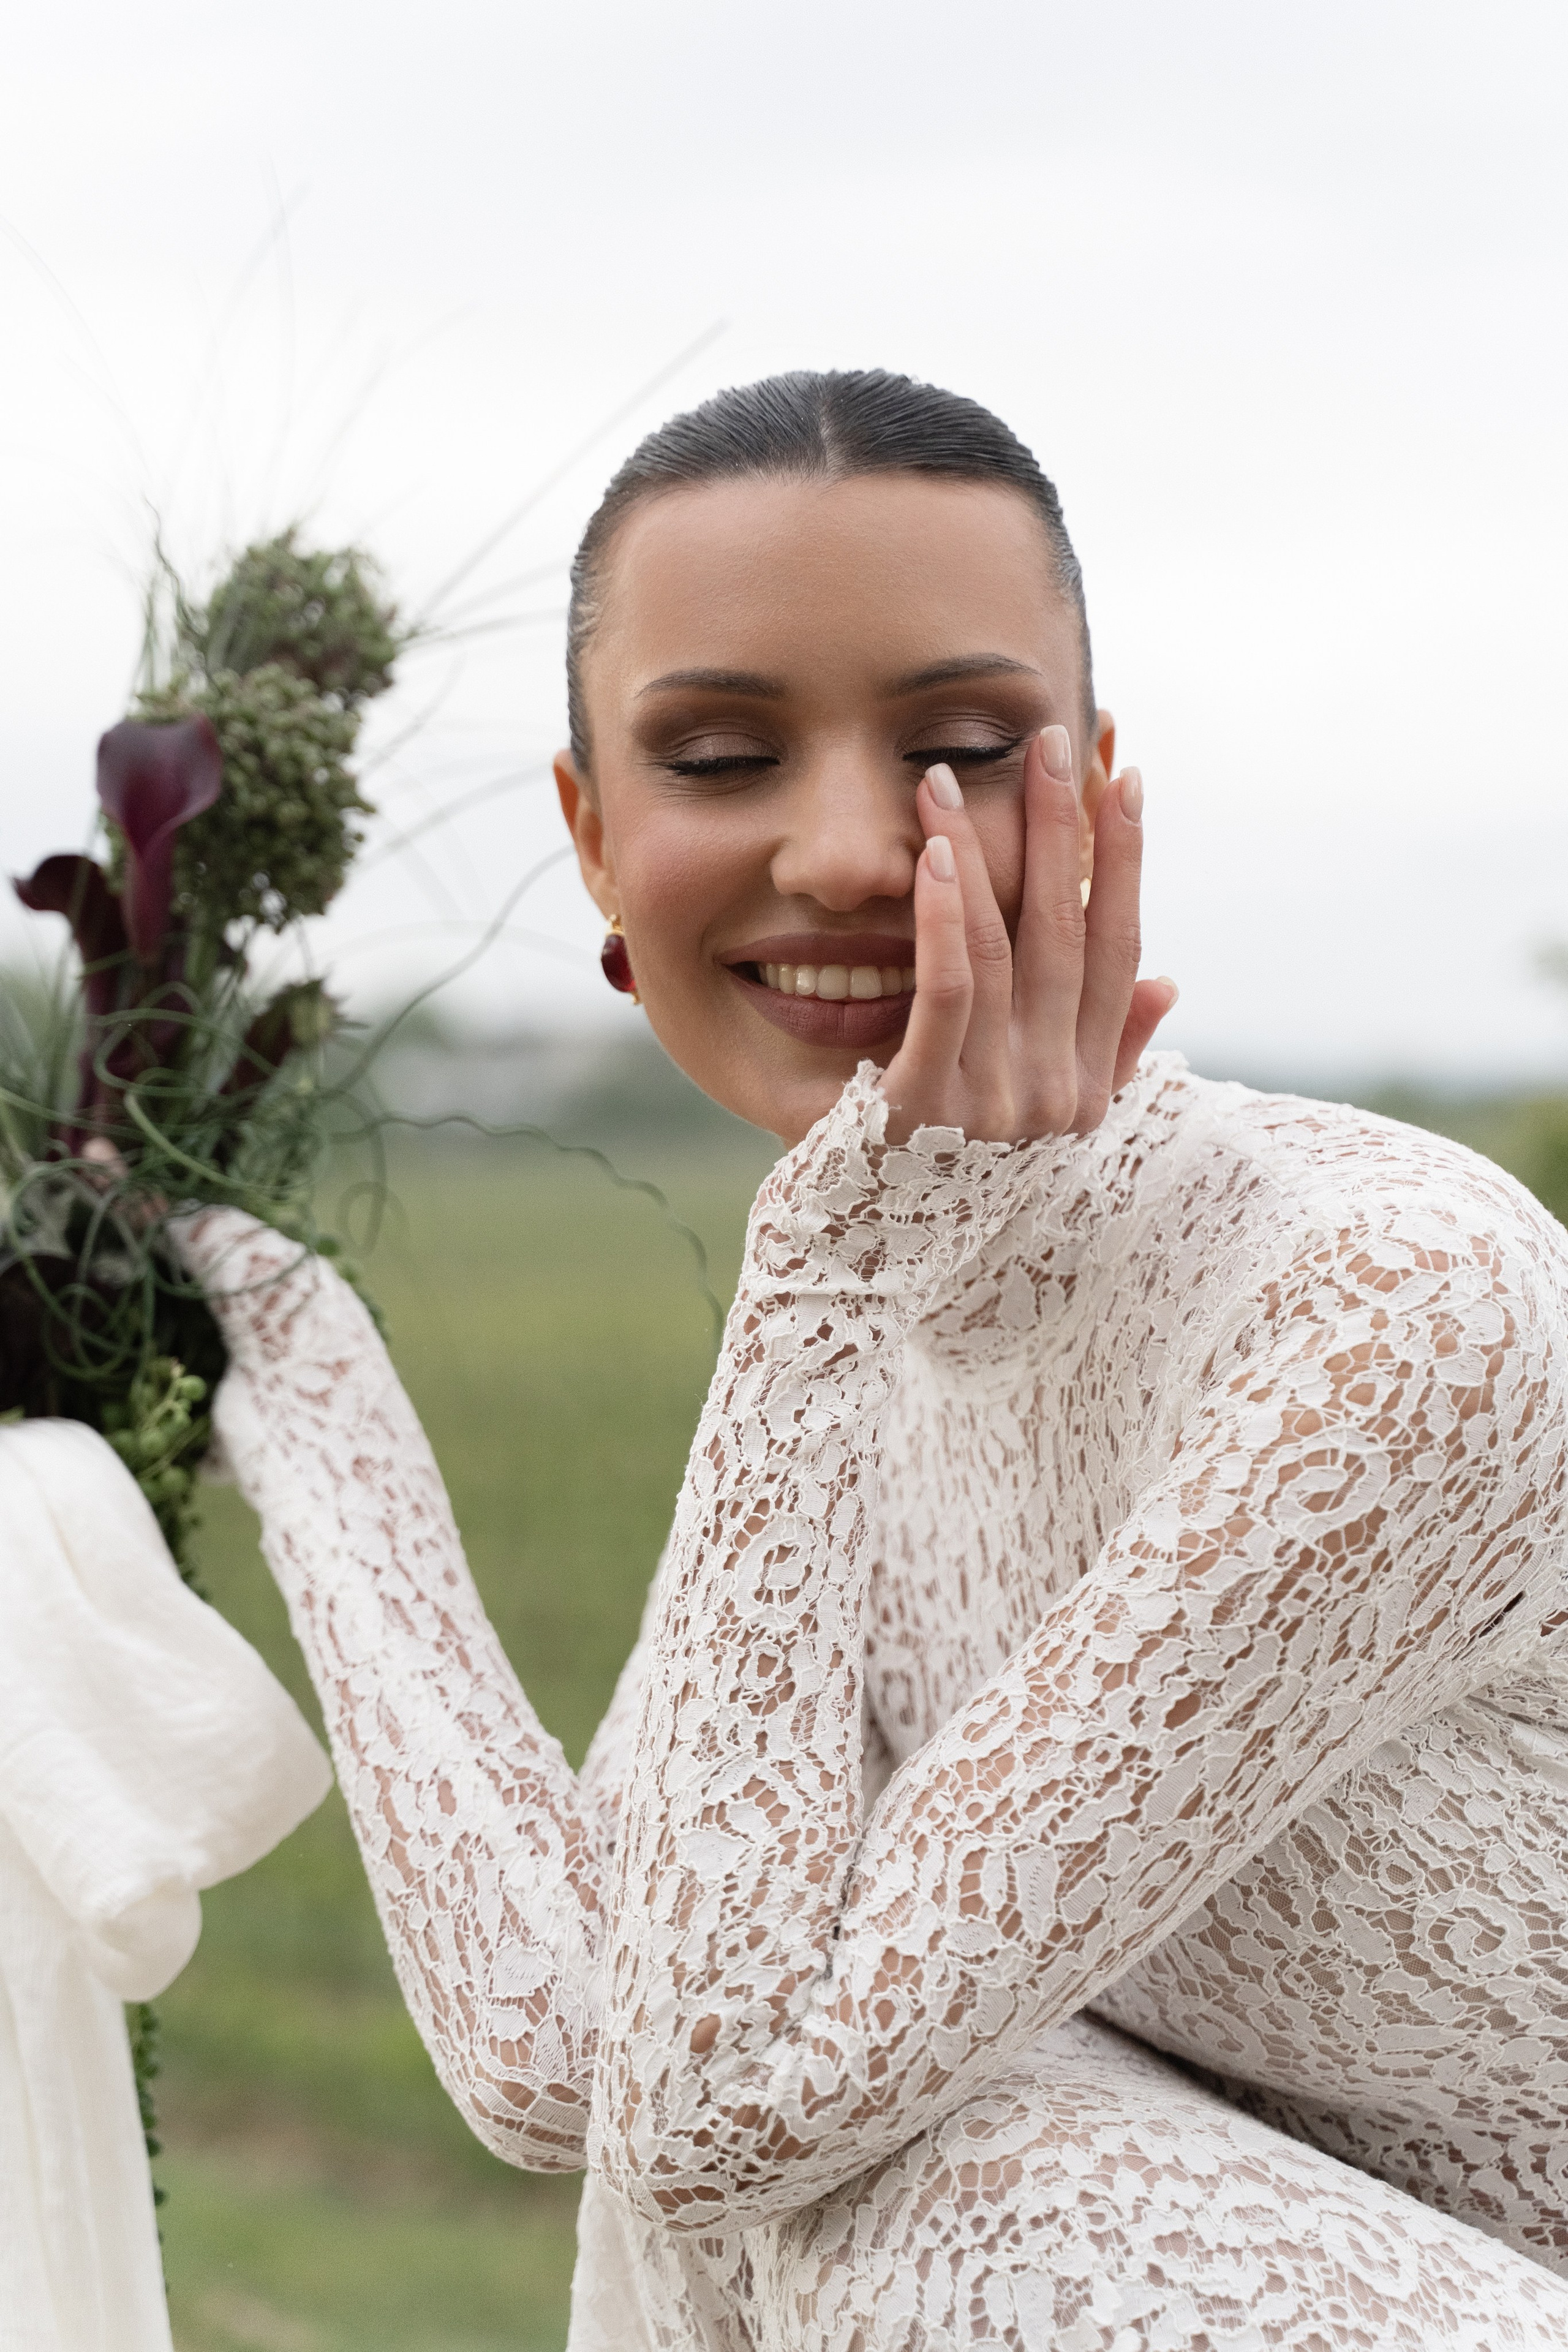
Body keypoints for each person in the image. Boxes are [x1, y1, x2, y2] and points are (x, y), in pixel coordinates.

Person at [181, 371, 1568, 2351]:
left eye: (961, 748)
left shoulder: (1390, 1313)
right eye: (723, 753)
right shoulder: (872, 1352)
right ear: (594, 836)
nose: (843, 852)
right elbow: (571, 2043)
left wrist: (815, 1268)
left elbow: (722, 2114)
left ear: (1090, 791)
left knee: (915, 2171)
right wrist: (300, 1374)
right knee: (833, 2142)